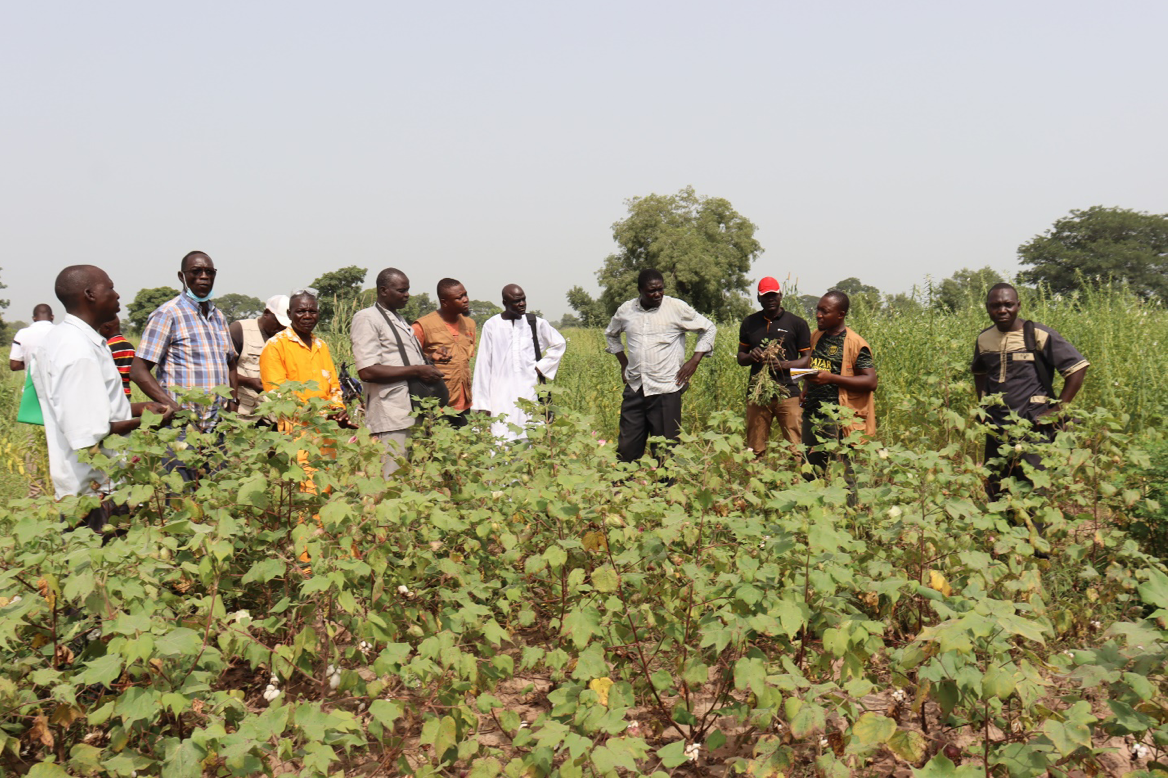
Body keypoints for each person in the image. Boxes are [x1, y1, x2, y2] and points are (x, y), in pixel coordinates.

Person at [30, 266, 172, 532]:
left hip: (97, 489)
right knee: (98, 568)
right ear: (90, 294)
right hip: (95, 493)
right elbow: (89, 432)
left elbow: (87, 407)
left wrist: (139, 408)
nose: (117, 295)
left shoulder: (69, 340)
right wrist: (147, 421)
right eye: (109, 288)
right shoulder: (77, 349)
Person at [972, 283, 1088, 502]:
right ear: (987, 308)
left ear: (1018, 305)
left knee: (1033, 489)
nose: (1002, 310)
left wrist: (1058, 409)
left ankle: (1033, 535)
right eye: (995, 305)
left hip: (1033, 424)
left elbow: (1077, 367)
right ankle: (1001, 535)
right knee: (997, 486)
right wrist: (983, 405)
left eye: (1008, 304)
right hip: (997, 427)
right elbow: (979, 371)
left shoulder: (1036, 334)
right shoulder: (984, 339)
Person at [605, 268, 716, 463]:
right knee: (627, 447)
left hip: (666, 388)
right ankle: (624, 489)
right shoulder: (626, 310)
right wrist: (624, 364)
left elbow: (708, 328)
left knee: (665, 448)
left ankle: (665, 491)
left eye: (660, 289)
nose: (657, 294)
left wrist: (694, 361)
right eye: (651, 291)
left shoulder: (676, 308)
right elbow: (611, 335)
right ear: (639, 290)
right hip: (635, 387)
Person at [130, 251, 237, 432]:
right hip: (181, 427)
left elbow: (231, 363)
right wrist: (174, 408)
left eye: (209, 272)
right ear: (182, 277)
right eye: (196, 271)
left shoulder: (218, 316)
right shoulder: (168, 314)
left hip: (218, 425)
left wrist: (233, 400)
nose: (204, 277)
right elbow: (138, 371)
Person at [351, 268, 445, 477]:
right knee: (390, 478)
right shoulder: (367, 318)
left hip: (411, 409)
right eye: (402, 290)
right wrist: (417, 370)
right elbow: (367, 371)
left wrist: (429, 361)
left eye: (408, 290)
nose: (407, 295)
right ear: (384, 291)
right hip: (390, 412)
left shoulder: (400, 320)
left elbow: (401, 360)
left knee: (411, 477)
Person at [801, 291, 878, 485]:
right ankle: (810, 511)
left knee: (843, 473)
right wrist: (806, 388)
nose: (818, 315)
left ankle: (849, 512)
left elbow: (871, 382)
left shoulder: (855, 343)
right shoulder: (816, 336)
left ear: (840, 314)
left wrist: (832, 378)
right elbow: (814, 366)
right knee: (810, 469)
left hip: (839, 415)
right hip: (812, 411)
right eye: (818, 309)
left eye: (824, 311)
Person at [472, 284, 567, 440]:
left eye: (523, 299)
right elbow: (483, 365)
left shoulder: (534, 322)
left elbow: (559, 343)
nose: (522, 304)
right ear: (505, 302)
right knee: (500, 439)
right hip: (500, 396)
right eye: (517, 301)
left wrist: (541, 367)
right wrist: (482, 404)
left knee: (529, 437)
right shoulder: (492, 325)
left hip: (528, 392)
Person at [737, 277, 812, 458]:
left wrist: (784, 365)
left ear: (780, 295)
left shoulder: (797, 323)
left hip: (789, 391)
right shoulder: (749, 323)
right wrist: (751, 356)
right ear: (758, 298)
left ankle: (796, 483)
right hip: (758, 393)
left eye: (773, 295)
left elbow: (808, 360)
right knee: (755, 447)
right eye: (766, 296)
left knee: (795, 446)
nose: (770, 299)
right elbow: (740, 357)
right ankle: (755, 485)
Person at [412, 278, 476, 425]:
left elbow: (467, 358)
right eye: (459, 297)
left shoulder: (470, 325)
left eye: (465, 295)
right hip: (436, 406)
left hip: (464, 405)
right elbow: (409, 363)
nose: (465, 300)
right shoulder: (422, 326)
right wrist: (430, 358)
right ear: (444, 302)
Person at [230, 295, 290, 422]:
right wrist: (249, 381)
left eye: (285, 325)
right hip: (243, 413)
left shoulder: (286, 338)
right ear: (266, 313)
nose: (281, 328)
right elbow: (223, 371)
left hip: (273, 416)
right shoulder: (239, 330)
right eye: (278, 323)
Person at [9, 304, 55, 371]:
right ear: (52, 317)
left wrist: (30, 363)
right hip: (58, 380)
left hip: (32, 380)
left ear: (33, 318)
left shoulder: (22, 334)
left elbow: (14, 365)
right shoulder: (62, 332)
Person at [98, 316, 135, 397]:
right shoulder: (130, 347)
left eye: (99, 328)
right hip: (126, 391)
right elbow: (132, 372)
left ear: (106, 328)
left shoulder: (107, 347)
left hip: (112, 392)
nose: (98, 331)